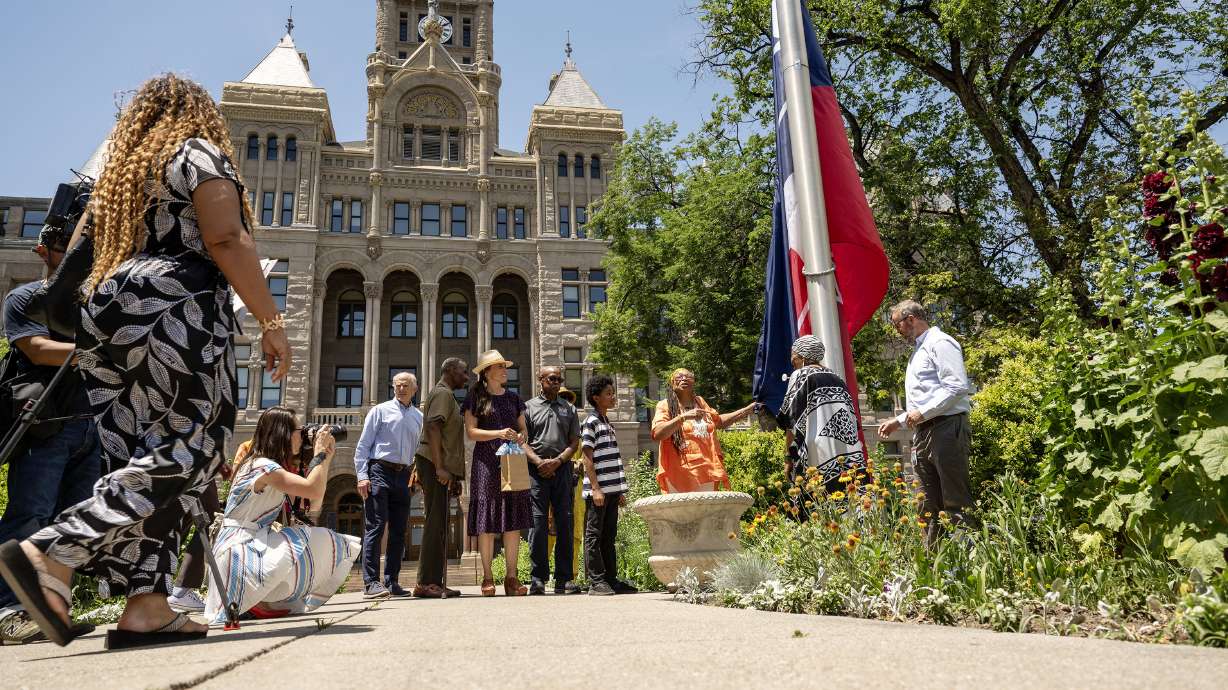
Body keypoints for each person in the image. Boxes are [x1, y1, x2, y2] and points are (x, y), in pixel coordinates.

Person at [0, 74, 291, 650]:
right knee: (195, 448)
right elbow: (226, 237)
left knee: (152, 459)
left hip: (106, 316)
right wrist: (271, 322)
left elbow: (78, 260)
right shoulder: (196, 152)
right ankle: (55, 549)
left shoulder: (119, 179)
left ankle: (147, 606)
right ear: (200, 114)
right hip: (173, 310)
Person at [0, 226, 103, 644]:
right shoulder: (25, 298)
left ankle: (50, 605)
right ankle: (8, 611)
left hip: (89, 425)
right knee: (30, 515)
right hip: (44, 424)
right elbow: (38, 349)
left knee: (72, 522)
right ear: (45, 250)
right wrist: (97, 350)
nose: (77, 258)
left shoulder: (93, 302)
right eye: (68, 250)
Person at [204, 407, 359, 622]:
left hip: (251, 544)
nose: (302, 435)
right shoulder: (262, 466)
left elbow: (314, 504)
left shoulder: (270, 466)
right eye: (298, 430)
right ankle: (254, 600)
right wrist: (320, 454)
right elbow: (313, 489)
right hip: (238, 551)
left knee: (317, 537)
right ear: (282, 434)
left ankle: (260, 600)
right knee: (312, 539)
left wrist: (326, 458)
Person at [877, 300, 974, 544]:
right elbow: (925, 396)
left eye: (896, 324)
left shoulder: (940, 343)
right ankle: (934, 566)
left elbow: (957, 387)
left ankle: (967, 563)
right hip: (925, 431)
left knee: (955, 500)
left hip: (946, 427)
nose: (896, 331)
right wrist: (898, 421)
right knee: (926, 503)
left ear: (910, 319)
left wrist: (922, 413)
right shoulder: (919, 351)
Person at [463, 349, 538, 597]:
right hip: (485, 462)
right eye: (500, 367)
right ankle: (487, 577)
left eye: (505, 366)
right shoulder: (475, 397)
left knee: (512, 519)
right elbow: (471, 432)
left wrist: (519, 436)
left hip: (512, 460)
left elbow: (524, 431)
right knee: (487, 521)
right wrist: (498, 433)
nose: (505, 370)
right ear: (487, 372)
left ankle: (511, 578)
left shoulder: (514, 398)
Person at [353, 371, 422, 599]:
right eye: (397, 385)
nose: (400, 389)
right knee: (376, 525)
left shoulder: (418, 417)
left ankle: (391, 582)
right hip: (378, 471)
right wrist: (362, 476)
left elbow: (418, 450)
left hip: (403, 476)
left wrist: (416, 474)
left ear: (414, 389)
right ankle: (370, 582)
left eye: (405, 386)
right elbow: (363, 446)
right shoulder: (379, 411)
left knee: (399, 530)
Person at [775, 335, 866, 496]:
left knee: (818, 505)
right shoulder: (837, 377)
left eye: (793, 356)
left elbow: (790, 420)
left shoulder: (801, 375)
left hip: (817, 452)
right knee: (849, 502)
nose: (792, 361)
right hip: (848, 453)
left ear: (802, 357)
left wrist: (788, 457)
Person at [523, 366, 582, 595]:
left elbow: (574, 442)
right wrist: (539, 462)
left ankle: (564, 579)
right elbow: (522, 441)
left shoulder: (569, 408)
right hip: (536, 472)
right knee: (538, 524)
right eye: (552, 378)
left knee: (565, 522)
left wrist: (557, 462)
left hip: (562, 471)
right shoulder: (528, 407)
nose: (556, 382)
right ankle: (537, 579)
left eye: (559, 379)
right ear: (541, 380)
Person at [413, 358, 468, 598]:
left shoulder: (447, 396)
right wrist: (439, 468)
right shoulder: (442, 394)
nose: (466, 377)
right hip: (435, 465)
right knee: (435, 523)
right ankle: (426, 582)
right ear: (450, 371)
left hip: (442, 467)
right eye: (463, 372)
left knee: (441, 523)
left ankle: (435, 580)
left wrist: (453, 476)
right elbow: (433, 427)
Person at [651, 368, 756, 493]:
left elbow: (718, 421)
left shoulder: (700, 402)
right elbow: (658, 433)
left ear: (694, 382)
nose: (684, 379)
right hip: (679, 472)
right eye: (679, 377)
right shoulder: (665, 405)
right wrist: (683, 417)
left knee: (707, 510)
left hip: (707, 470)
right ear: (672, 383)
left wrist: (747, 410)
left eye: (688, 376)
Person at [580, 375, 633, 596]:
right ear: (596, 398)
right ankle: (596, 582)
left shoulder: (607, 423)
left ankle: (611, 579)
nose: (613, 397)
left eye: (613, 393)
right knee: (594, 535)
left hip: (612, 491)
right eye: (608, 394)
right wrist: (596, 488)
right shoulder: (591, 422)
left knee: (609, 536)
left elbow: (613, 458)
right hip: (599, 492)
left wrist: (619, 490)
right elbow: (587, 458)